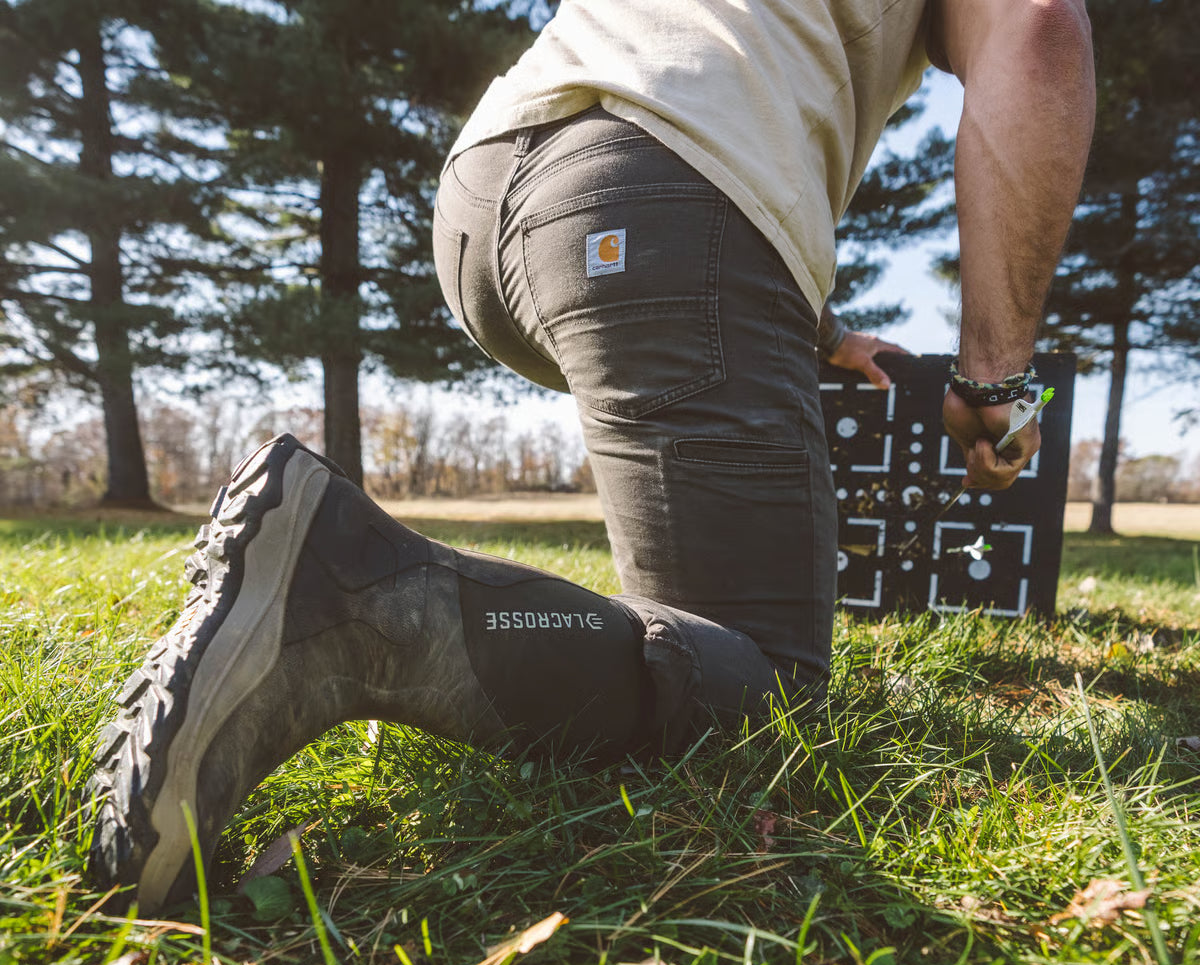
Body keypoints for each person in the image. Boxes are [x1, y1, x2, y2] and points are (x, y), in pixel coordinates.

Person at [88, 0, 1095, 913]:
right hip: (668, 189)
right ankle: (357, 603)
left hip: (495, 196)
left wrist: (823, 334)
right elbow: (1038, 29)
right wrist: (996, 376)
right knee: (768, 693)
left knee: (693, 642)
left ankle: (360, 596)